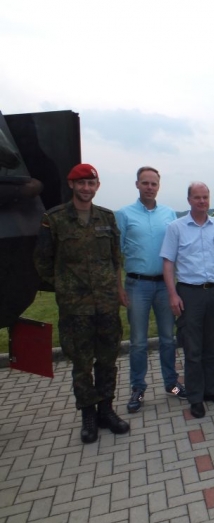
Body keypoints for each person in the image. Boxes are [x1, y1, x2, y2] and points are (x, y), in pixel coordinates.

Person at [34, 164, 129, 443]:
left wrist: (114, 289)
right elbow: (42, 261)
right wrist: (64, 285)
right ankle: (88, 415)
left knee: (108, 360)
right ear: (71, 185)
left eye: (91, 183)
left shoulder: (106, 218)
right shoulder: (55, 219)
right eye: (81, 183)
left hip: (106, 305)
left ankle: (106, 410)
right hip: (76, 309)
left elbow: (115, 260)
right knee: (81, 363)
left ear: (97, 186)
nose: (86, 188)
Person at [160, 182, 214, 419]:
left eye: (205, 197)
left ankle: (212, 390)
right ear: (189, 199)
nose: (202, 201)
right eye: (197, 197)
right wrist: (172, 294)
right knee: (193, 348)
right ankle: (195, 397)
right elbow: (168, 263)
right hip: (189, 292)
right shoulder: (176, 227)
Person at [116, 166, 185, 414]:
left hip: (165, 285)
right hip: (137, 285)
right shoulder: (124, 214)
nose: (149, 187)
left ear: (159, 185)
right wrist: (118, 287)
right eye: (145, 183)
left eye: (153, 183)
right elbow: (116, 254)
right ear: (137, 185)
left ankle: (172, 384)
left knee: (168, 338)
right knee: (138, 342)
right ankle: (138, 388)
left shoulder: (169, 213)